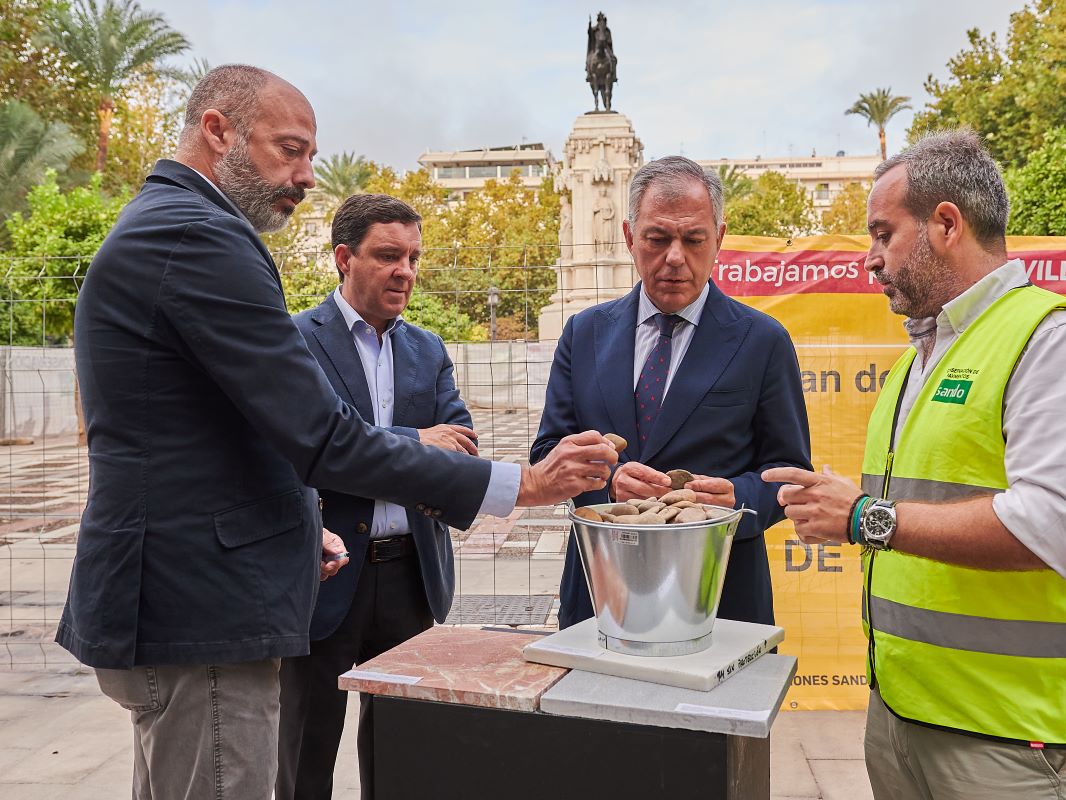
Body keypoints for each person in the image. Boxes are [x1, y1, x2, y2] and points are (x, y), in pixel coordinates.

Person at [58, 64, 616, 799]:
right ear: (217, 131)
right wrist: (525, 483)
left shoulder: (170, 224)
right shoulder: (200, 236)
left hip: (199, 601)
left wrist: (297, 522)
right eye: (289, 150)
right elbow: (324, 438)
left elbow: (221, 434)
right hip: (202, 612)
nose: (306, 176)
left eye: (311, 155)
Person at [764, 130, 1066, 799]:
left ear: (945, 224)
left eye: (884, 234)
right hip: (908, 717)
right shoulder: (919, 360)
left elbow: (1051, 528)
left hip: (1021, 740)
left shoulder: (1058, 342)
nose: (871, 260)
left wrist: (863, 518)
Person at [532, 155, 812, 630]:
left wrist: (735, 499)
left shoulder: (763, 341)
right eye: (657, 239)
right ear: (629, 237)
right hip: (601, 596)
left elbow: (789, 473)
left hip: (718, 598)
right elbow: (547, 452)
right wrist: (608, 482)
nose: (675, 257)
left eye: (694, 239)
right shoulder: (584, 334)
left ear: (719, 238)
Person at [276, 194, 476, 799]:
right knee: (305, 756)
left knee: (403, 759)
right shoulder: (295, 341)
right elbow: (304, 448)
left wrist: (402, 450)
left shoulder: (428, 349)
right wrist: (416, 442)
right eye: (389, 255)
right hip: (327, 574)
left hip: (411, 577)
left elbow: (461, 447)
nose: (405, 271)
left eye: (413, 257)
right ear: (344, 257)